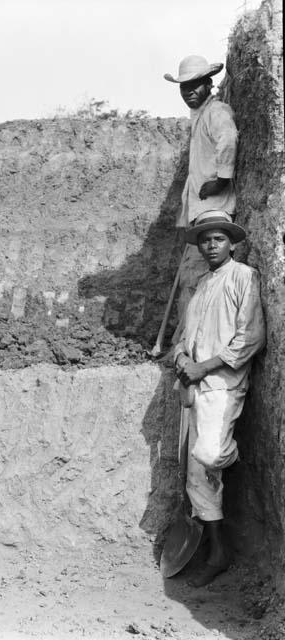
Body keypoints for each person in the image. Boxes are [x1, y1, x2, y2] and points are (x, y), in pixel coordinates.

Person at [174, 209, 265, 587]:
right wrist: (182, 359)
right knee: (196, 474)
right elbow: (182, 338)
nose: (211, 245)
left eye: (218, 239)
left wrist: (204, 366)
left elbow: (251, 338)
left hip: (223, 385)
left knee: (210, 455)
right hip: (193, 388)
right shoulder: (199, 287)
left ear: (231, 243)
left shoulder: (243, 277)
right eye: (205, 240)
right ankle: (217, 553)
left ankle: (232, 453)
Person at [164, 55, 239, 325]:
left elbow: (228, 139)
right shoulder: (199, 117)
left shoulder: (215, 112)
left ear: (208, 84)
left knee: (195, 279)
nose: (189, 92)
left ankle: (187, 345)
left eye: (195, 85)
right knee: (191, 279)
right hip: (201, 214)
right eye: (184, 87)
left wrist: (221, 179)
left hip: (214, 214)